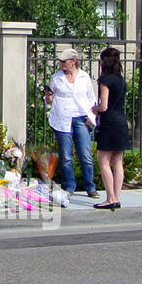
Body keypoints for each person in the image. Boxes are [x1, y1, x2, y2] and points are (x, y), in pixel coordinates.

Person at [44, 46, 99, 199]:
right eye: (60, 62)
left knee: (85, 154)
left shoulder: (84, 77)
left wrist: (91, 116)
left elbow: (91, 98)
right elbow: (50, 100)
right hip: (63, 118)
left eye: (64, 62)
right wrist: (48, 96)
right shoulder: (56, 78)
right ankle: (69, 186)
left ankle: (90, 186)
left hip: (81, 117)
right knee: (66, 156)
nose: (61, 65)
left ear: (74, 61)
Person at [91, 47, 129, 210]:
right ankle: (117, 197)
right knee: (118, 162)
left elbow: (104, 106)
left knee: (104, 161)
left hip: (109, 123)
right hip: (121, 122)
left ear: (104, 62)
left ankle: (110, 198)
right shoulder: (121, 80)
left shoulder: (105, 81)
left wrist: (95, 108)